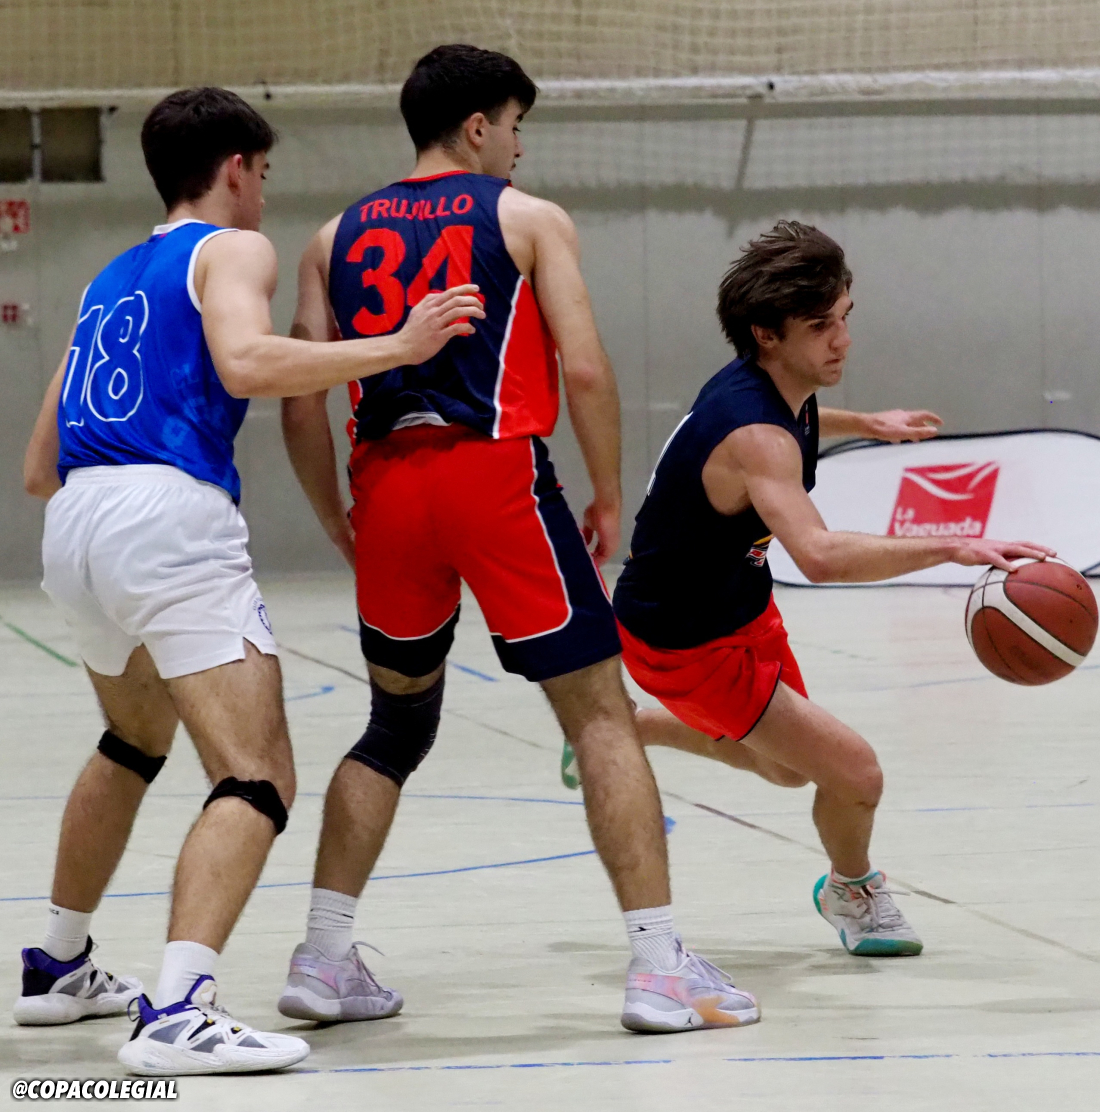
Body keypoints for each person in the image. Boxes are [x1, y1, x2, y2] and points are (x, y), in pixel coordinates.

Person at [278, 44, 759, 1035]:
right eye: (513, 126)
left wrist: (332, 510)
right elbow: (583, 369)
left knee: (393, 725)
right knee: (600, 716)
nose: (519, 146)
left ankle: (322, 957)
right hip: (492, 476)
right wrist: (610, 489)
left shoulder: (331, 237)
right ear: (476, 127)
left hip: (386, 488)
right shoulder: (527, 219)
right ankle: (657, 965)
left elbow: (299, 398)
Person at [18, 86, 483, 1075]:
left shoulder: (108, 278)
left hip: (74, 521)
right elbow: (242, 361)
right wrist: (400, 346)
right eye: (263, 173)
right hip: (165, 515)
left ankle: (58, 963)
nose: (264, 192)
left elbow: (36, 464)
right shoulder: (231, 248)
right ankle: (178, 1010)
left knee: (130, 739)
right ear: (234, 168)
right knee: (255, 772)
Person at [567, 221, 1053, 956]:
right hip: (682, 639)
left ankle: (628, 729)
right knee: (855, 772)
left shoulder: (768, 385)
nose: (842, 340)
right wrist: (954, 545)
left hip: (736, 606)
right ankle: (851, 891)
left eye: (845, 318)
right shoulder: (754, 433)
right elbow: (819, 556)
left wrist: (869, 425)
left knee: (789, 772)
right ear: (766, 334)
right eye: (821, 326)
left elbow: (796, 421)